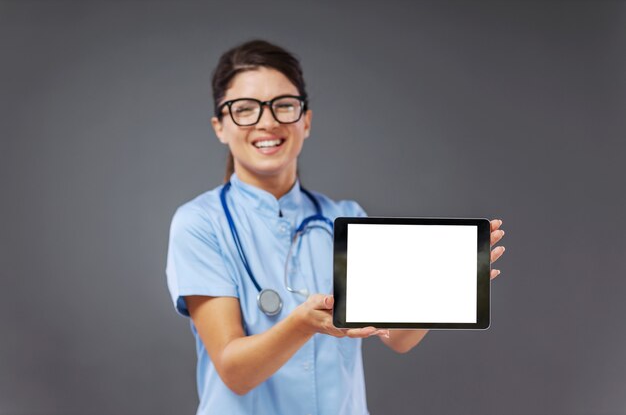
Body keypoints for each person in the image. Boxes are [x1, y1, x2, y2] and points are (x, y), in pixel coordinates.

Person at [166, 39, 506, 415]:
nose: (268, 121)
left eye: (284, 106)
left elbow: (397, 338)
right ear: (220, 127)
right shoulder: (200, 223)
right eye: (245, 109)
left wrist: (441, 287)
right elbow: (234, 371)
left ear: (306, 121)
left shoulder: (345, 218)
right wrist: (301, 324)